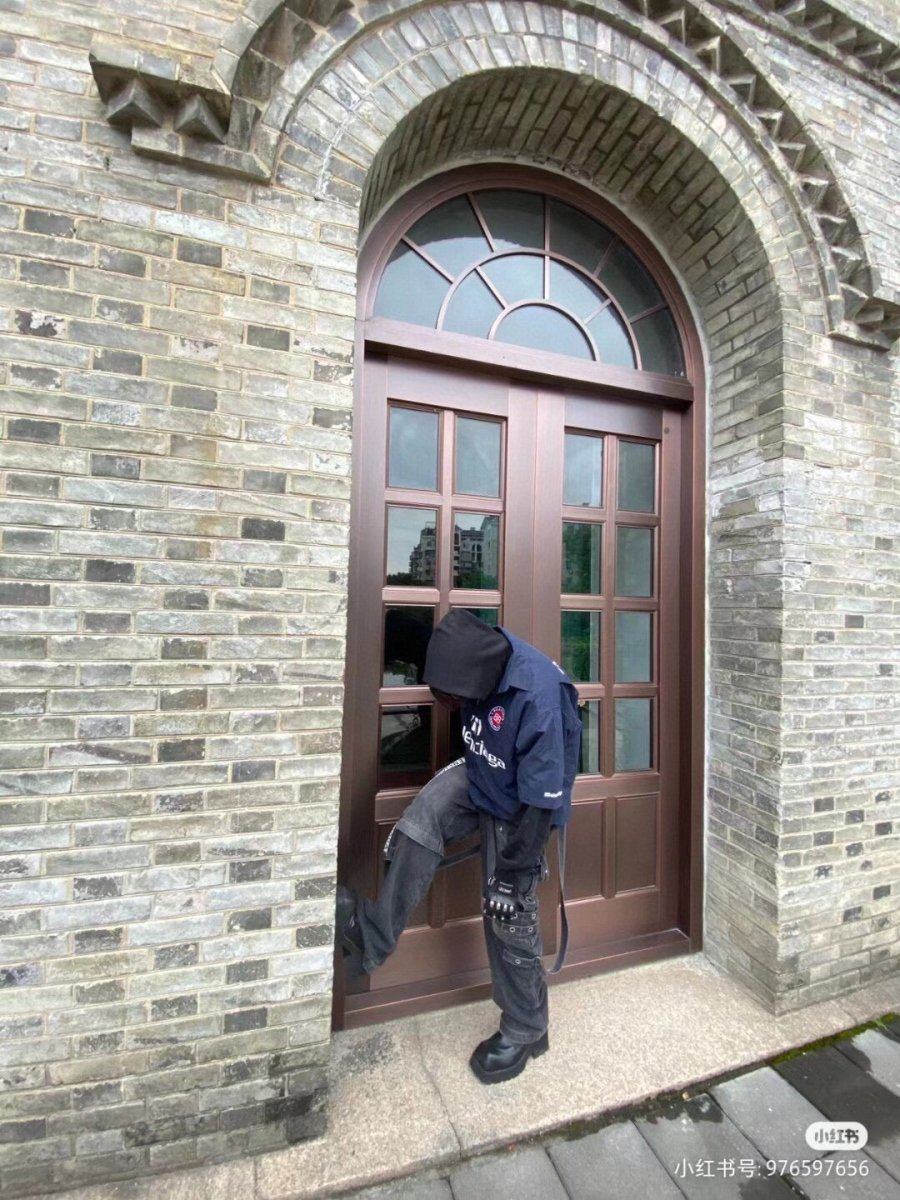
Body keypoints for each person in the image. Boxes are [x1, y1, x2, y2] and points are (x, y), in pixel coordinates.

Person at [335, 609, 581, 1084]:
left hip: (523, 807)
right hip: (483, 774)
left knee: (508, 915)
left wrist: (510, 876)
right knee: (420, 820)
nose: (445, 704)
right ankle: (370, 933)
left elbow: (542, 803)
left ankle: (527, 1028)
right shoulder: (470, 654)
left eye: (450, 697)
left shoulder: (540, 699)